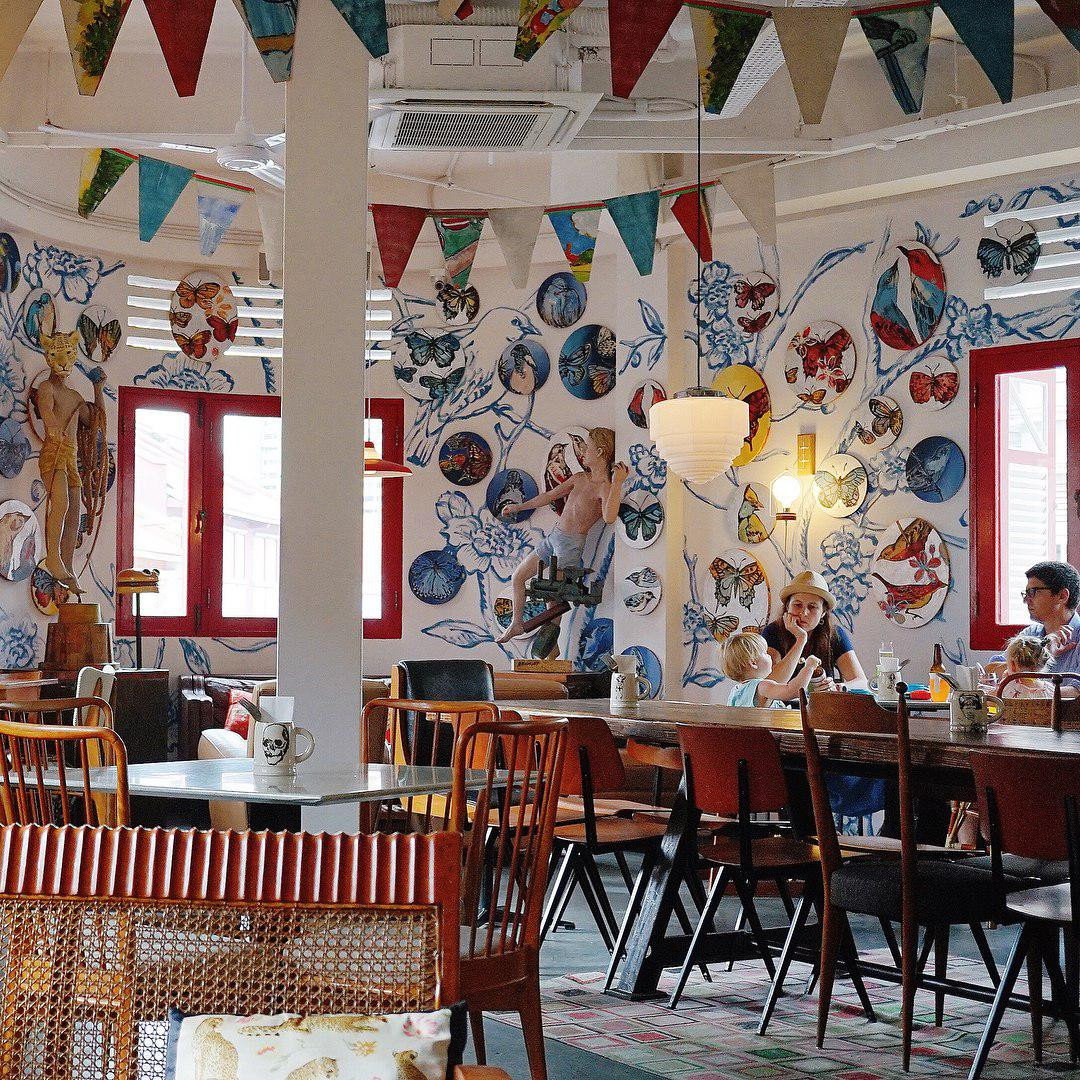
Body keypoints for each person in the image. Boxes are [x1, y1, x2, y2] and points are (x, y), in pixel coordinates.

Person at [496, 427, 627, 643]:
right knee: (518, 577)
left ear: (600, 452)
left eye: (587, 448)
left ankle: (550, 650)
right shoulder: (579, 478)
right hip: (554, 537)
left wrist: (618, 483)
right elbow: (549, 496)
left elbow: (610, 517)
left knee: (553, 598)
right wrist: (519, 507)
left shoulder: (604, 487)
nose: (583, 452)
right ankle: (516, 623)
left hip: (570, 545)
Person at [761, 571, 868, 690]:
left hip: (822, 701)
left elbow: (862, 682)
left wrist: (837, 687)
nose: (804, 613)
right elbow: (770, 683)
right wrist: (801, 640)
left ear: (823, 613)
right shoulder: (773, 631)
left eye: (812, 607)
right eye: (797, 605)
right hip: (782, 702)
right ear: (787, 607)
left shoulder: (835, 634)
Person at [722, 631, 822, 708]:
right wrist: (809, 667)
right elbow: (795, 691)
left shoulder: (736, 692)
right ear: (753, 663)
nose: (769, 656)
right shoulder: (762, 686)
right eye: (765, 653)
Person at [1017, 560, 1080, 676]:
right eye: (1026, 593)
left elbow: (1075, 688)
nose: (1026, 600)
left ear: (1062, 596)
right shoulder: (1031, 633)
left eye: (1032, 592)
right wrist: (1040, 654)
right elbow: (992, 670)